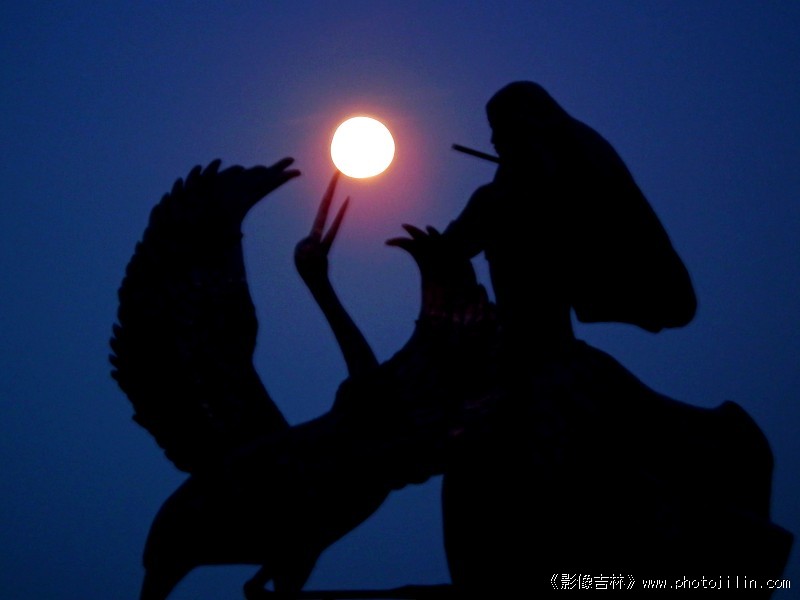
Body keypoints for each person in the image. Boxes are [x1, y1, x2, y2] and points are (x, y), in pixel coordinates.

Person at [442, 81, 696, 364]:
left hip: (577, 284)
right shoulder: (523, 171)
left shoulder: (565, 155)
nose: (493, 139)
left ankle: (529, 338)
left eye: (500, 127)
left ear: (526, 121)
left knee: (495, 206)